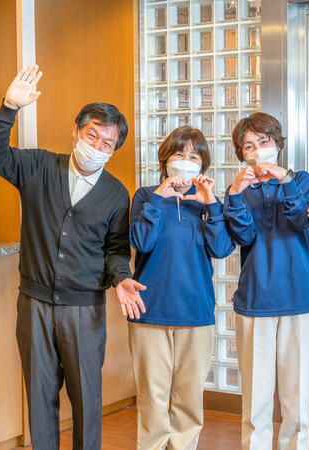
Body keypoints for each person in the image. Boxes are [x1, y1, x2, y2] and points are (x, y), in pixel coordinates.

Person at [0, 64, 146, 449]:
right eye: (92, 136)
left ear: (114, 149)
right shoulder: (39, 166)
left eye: (108, 144)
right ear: (76, 131)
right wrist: (9, 107)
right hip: (34, 305)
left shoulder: (115, 193)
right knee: (40, 397)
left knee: (87, 397)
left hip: (84, 310)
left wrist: (122, 277)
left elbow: (115, 249)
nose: (98, 147)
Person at [127, 126, 235, 449]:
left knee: (189, 397)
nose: (186, 161)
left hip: (196, 311)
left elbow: (222, 249)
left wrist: (211, 204)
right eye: (179, 154)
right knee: (152, 396)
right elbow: (140, 241)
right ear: (165, 159)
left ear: (203, 166)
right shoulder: (146, 196)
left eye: (194, 157)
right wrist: (158, 199)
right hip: (149, 310)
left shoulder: (206, 202)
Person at [223, 112, 309, 450]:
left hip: (301, 299)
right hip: (255, 300)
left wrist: (285, 180)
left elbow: (300, 219)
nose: (257, 150)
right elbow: (242, 235)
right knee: (256, 398)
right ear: (242, 154)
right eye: (248, 146)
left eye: (263, 142)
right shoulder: (240, 191)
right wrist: (234, 194)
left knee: (297, 398)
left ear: (278, 145)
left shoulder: (302, 180)